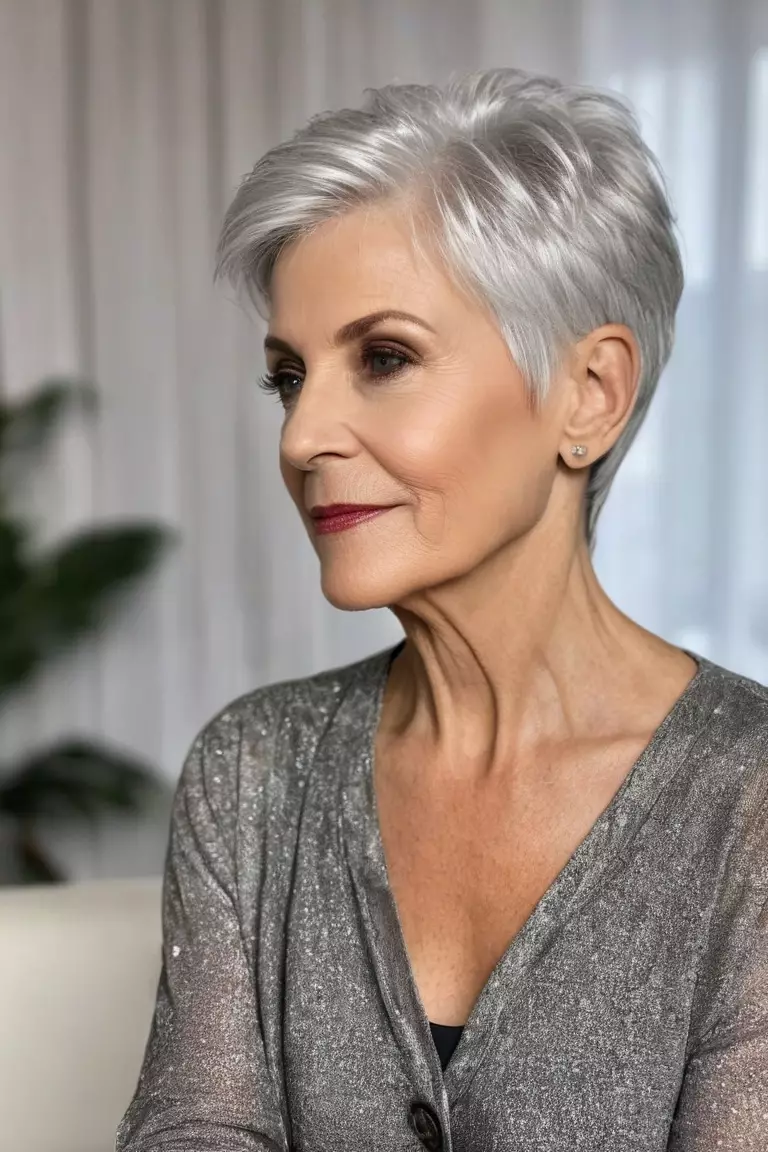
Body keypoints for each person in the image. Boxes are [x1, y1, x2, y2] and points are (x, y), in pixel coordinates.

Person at [115, 68, 768, 1151]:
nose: (300, 437)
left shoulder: (747, 806)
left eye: (384, 358)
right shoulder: (251, 773)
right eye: (288, 377)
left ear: (588, 396)